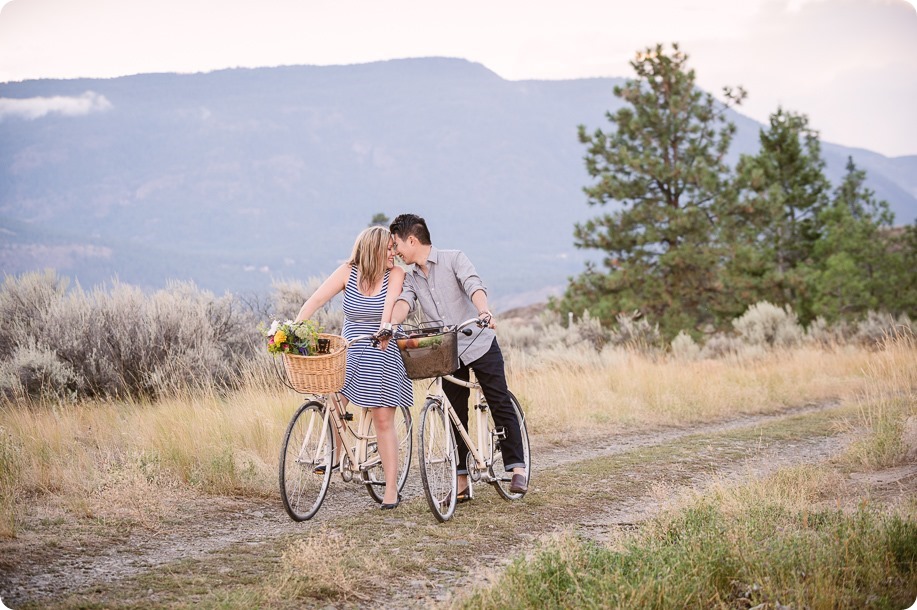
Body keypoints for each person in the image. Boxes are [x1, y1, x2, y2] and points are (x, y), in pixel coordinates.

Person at [388, 213, 528, 503]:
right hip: (447, 352)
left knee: (498, 399)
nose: (396, 251)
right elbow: (405, 301)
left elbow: (473, 284)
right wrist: (390, 323)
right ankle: (461, 483)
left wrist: (483, 311)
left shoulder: (453, 259)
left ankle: (517, 467)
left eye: (397, 244)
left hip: (477, 341)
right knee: (454, 412)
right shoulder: (412, 278)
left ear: (412, 240)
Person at [294, 226, 413, 509]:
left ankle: (391, 489)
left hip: (382, 346)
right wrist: (295, 327)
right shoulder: (348, 272)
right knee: (333, 399)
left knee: (382, 419)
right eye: (388, 249)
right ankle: (334, 454)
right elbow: (317, 299)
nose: (394, 253)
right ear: (373, 250)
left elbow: (388, 306)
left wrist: (385, 329)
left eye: (394, 248)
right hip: (351, 347)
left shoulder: (395, 274)